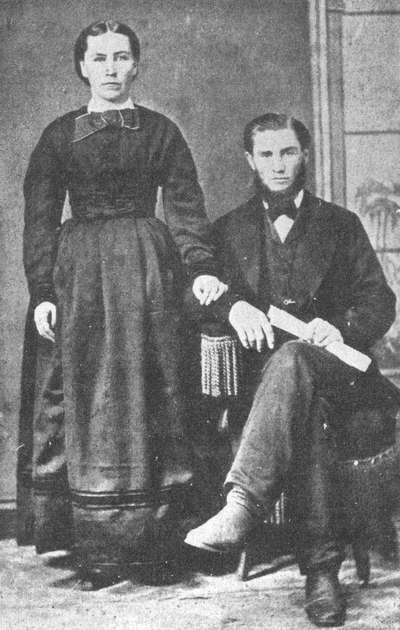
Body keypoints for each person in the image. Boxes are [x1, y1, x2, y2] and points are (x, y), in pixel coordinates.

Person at [20, 19, 226, 588]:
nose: (110, 69)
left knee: (155, 392)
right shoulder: (58, 137)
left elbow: (185, 207)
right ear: (82, 67)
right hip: (80, 279)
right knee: (88, 399)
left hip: (148, 273)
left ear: (136, 65)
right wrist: (42, 293)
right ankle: (97, 546)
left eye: (120, 57)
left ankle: (159, 543)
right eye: (99, 58)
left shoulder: (161, 132)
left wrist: (201, 268)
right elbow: (40, 221)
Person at [184, 113, 400, 626]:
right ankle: (321, 575)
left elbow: (380, 302)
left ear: (304, 155)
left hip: (341, 373)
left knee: (298, 358)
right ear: (250, 160)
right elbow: (194, 299)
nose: (278, 165)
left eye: (287, 152)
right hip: (268, 392)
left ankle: (242, 505)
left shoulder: (340, 224)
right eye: (267, 155)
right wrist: (233, 307)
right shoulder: (228, 230)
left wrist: (340, 327)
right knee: (304, 403)